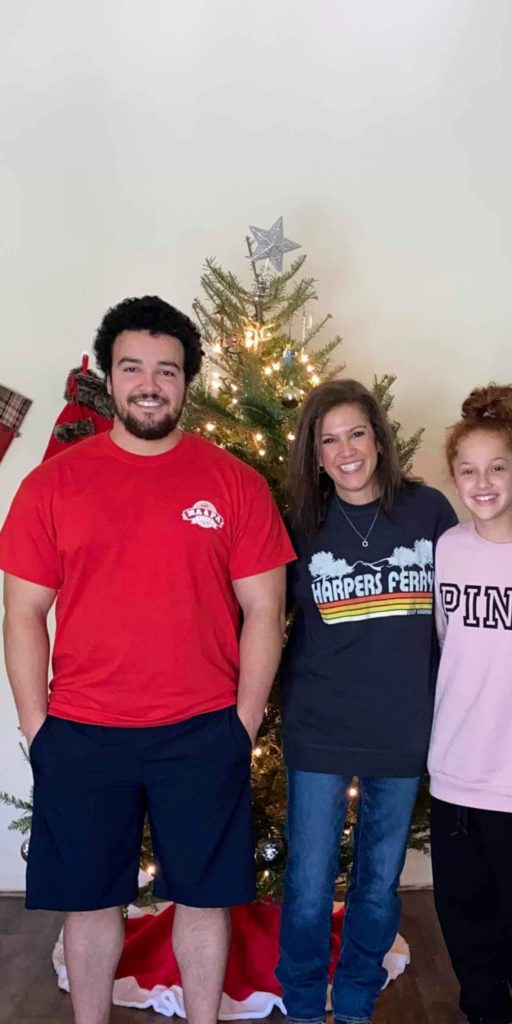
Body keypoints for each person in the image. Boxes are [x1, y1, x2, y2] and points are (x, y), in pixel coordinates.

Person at [0, 296, 295, 1024]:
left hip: (201, 731)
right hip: (82, 732)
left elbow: (265, 610)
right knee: (91, 901)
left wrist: (243, 722)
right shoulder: (52, 487)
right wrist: (39, 727)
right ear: (111, 375)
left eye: (167, 370)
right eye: (133, 367)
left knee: (201, 898)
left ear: (187, 381)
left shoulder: (233, 483)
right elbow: (23, 612)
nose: (150, 384)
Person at [276, 378, 457, 1024]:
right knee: (307, 887)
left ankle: (353, 1002)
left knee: (377, 886)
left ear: (378, 439)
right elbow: (263, 620)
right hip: (319, 728)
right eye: (329, 440)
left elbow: (455, 622)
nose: (345, 450)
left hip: (403, 729)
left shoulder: (429, 512)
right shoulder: (298, 522)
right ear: (314, 454)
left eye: (356, 433)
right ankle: (301, 1005)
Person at [428, 385, 512, 1024]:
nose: (483, 483)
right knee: (462, 909)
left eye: (498, 468)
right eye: (468, 471)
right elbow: (445, 648)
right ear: (454, 477)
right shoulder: (446, 549)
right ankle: (484, 1008)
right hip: (454, 766)